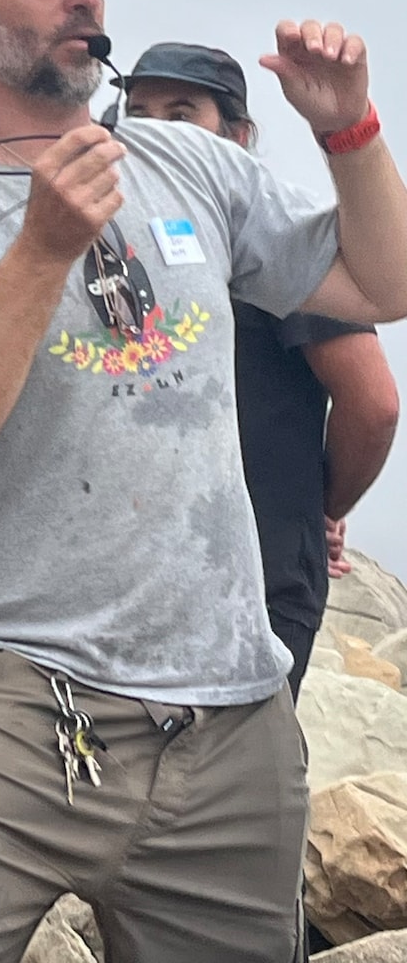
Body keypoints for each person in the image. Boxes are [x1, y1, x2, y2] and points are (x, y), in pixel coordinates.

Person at [0, 0, 407, 963]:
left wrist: (352, 131)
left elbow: (384, 284)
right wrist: (41, 249)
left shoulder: (190, 163)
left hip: (231, 716)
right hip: (2, 697)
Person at [120, 43, 398, 696]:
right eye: (137, 113)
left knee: (229, 790)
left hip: (260, 581)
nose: (154, 134)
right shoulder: (125, 250)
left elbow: (375, 403)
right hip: (144, 574)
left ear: (239, 136)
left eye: (182, 114)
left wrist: (320, 510)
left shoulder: (266, 246)